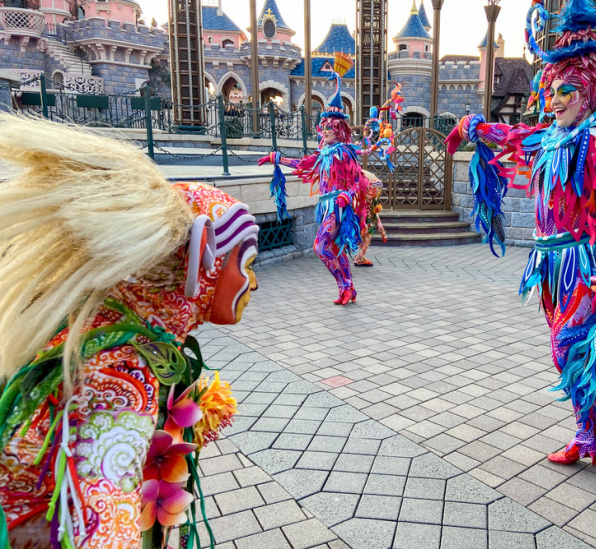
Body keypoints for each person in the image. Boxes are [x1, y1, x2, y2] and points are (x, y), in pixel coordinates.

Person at [0, 114, 256, 548]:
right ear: (200, 263)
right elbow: (105, 521)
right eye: (248, 265)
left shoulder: (95, 327)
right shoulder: (123, 372)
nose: (254, 283)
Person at [446, 0, 596, 476]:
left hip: (585, 267)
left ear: (590, 93)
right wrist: (476, 126)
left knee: (566, 350)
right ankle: (588, 437)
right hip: (550, 268)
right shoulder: (555, 136)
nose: (555, 100)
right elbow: (517, 135)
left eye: (566, 91)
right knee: (574, 356)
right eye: (552, 90)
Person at [258, 53, 368, 306]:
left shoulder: (343, 152)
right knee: (334, 248)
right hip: (325, 205)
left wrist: (347, 196)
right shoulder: (325, 153)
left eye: (329, 127)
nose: (324, 130)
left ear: (338, 128)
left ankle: (345, 286)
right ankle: (347, 289)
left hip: (338, 208)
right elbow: (304, 164)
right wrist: (279, 160)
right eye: (323, 126)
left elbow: (356, 181)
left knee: (320, 247)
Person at [353, 170, 387, 267]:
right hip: (354, 220)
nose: (377, 191)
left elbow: (374, 214)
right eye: (375, 189)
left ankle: (360, 257)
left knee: (368, 231)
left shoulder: (372, 200)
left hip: (364, 222)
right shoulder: (359, 196)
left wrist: (382, 231)